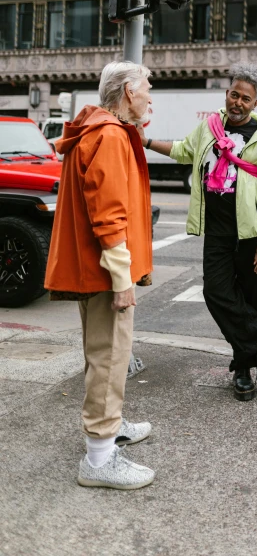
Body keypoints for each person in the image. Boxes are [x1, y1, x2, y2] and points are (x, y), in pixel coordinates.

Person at [140, 63, 257, 401]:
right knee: (217, 293)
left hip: (251, 234)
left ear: (255, 103)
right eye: (234, 94)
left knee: (252, 300)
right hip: (218, 232)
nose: (238, 102)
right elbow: (184, 151)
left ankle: (244, 368)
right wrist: (146, 141)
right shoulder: (209, 127)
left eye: (246, 98)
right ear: (226, 94)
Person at [45, 61, 156, 489]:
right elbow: (109, 215)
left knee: (104, 355)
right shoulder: (109, 135)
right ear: (128, 92)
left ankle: (110, 428)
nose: (150, 96)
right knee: (110, 358)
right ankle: (99, 457)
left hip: (94, 270)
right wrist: (122, 278)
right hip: (103, 273)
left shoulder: (97, 129)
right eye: (147, 88)